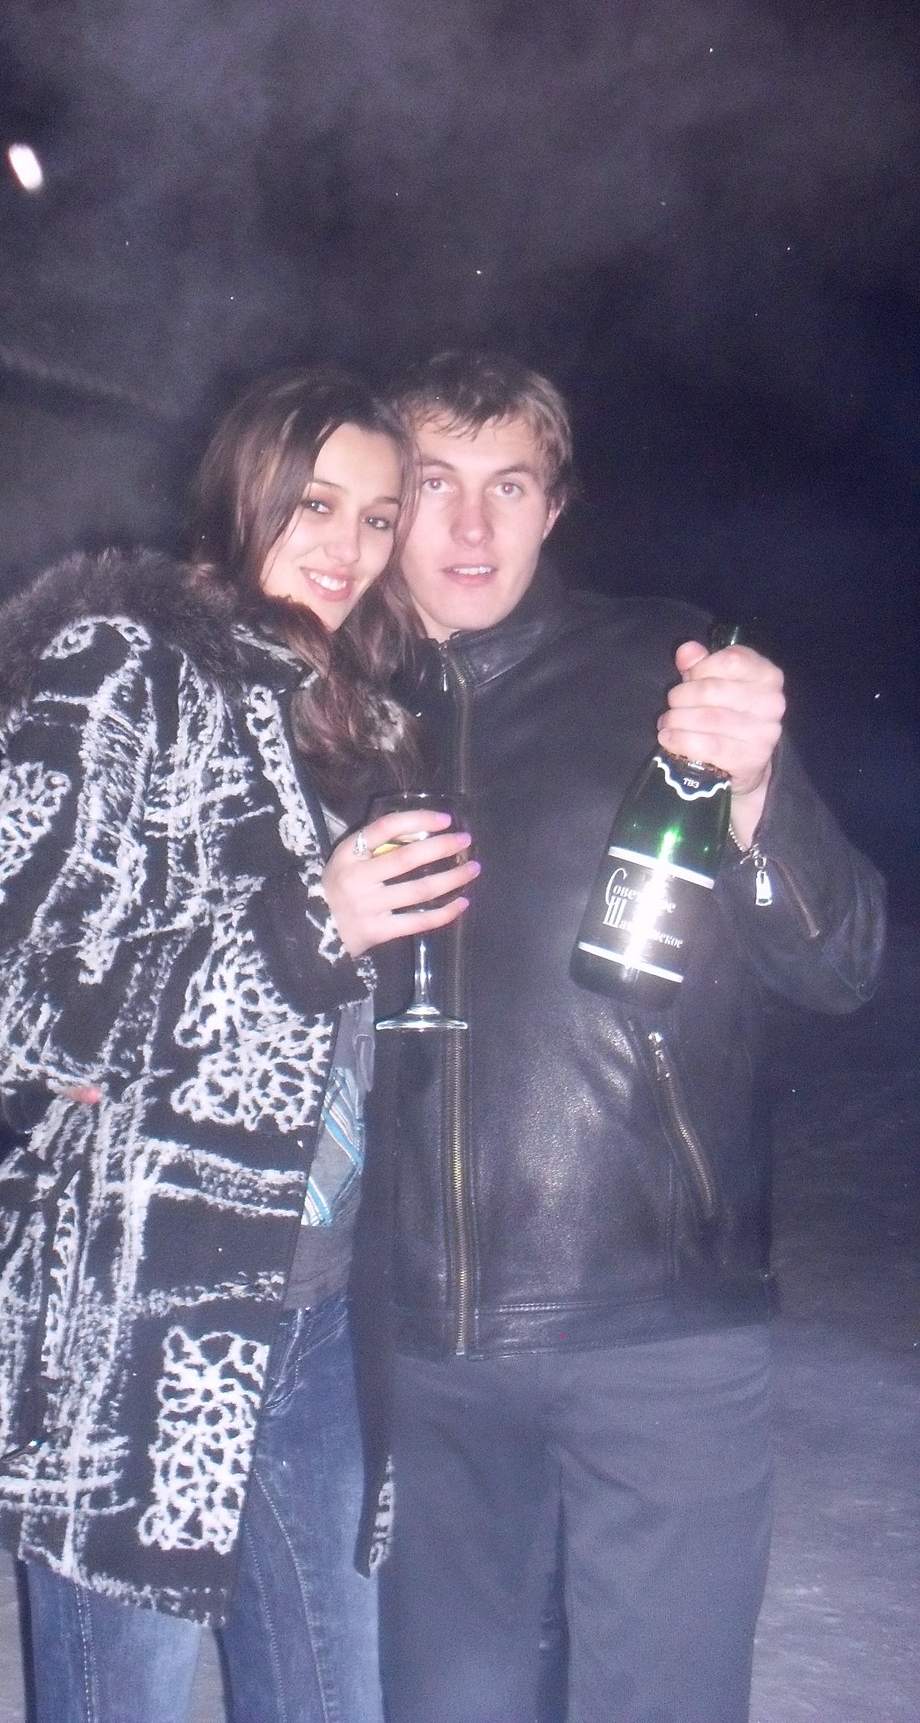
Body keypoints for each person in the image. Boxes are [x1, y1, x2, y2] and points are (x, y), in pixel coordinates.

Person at [0, 371, 476, 1723]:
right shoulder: (121, 671)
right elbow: (16, 1015)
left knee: (332, 1699)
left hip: (318, 1306)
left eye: (377, 516)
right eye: (316, 504)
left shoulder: (354, 714)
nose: (348, 546)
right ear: (243, 493)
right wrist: (308, 926)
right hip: (137, 1317)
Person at [329, 352, 885, 1723]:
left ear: (556, 504)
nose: (471, 528)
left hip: (658, 1329)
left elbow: (842, 963)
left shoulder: (665, 672)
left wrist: (756, 795)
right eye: (437, 486)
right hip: (424, 1344)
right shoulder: (335, 709)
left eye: (509, 486)